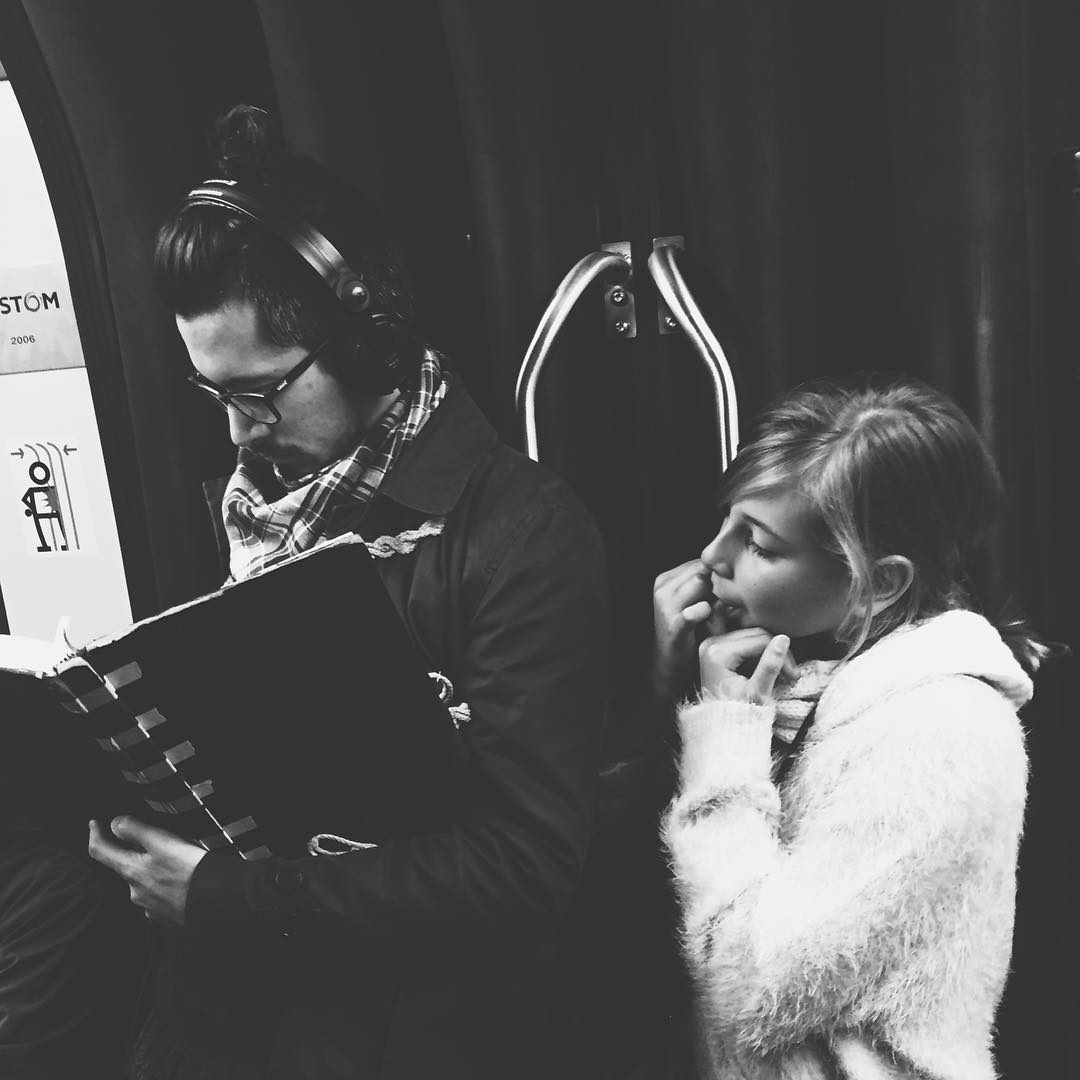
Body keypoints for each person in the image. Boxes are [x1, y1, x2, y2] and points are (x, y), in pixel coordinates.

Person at [87, 104, 607, 1080]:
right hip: (225, 1023)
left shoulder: (524, 535)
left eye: (259, 393)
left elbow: (524, 864)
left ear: (369, 346)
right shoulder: (254, 505)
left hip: (394, 1037)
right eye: (215, 395)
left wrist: (226, 900)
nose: (237, 434)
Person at [652, 376, 1044, 1079]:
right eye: (726, 522)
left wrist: (726, 735)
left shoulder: (941, 735)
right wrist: (671, 693)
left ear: (877, 582)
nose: (711, 557)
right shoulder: (805, 679)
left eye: (758, 544)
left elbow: (749, 986)